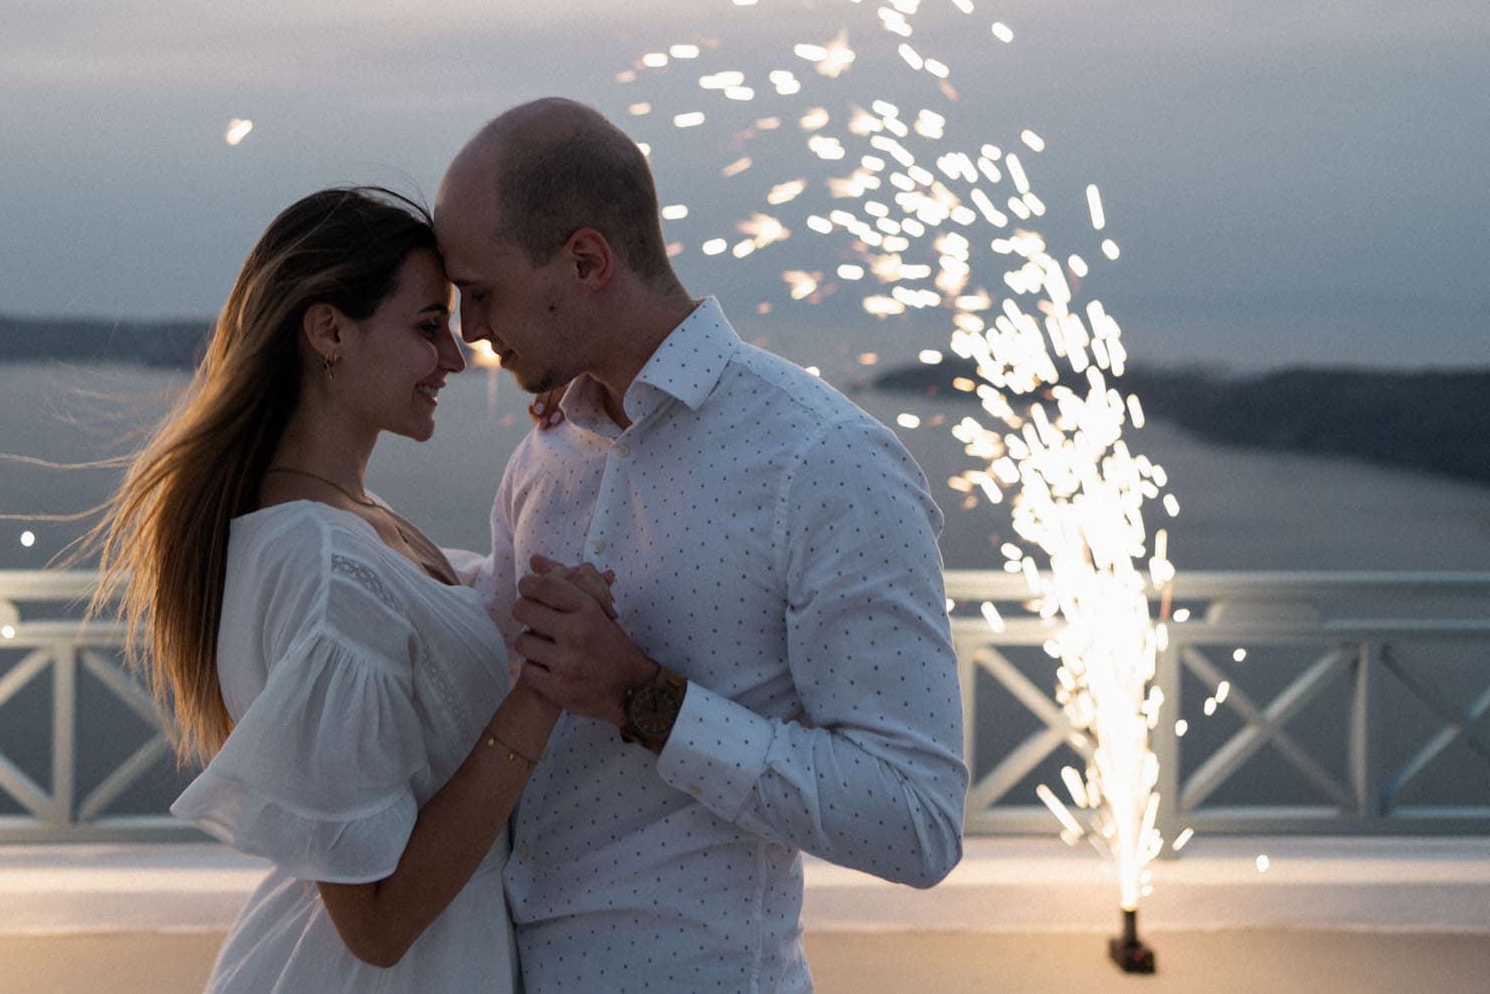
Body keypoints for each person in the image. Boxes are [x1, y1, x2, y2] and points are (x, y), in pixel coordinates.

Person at [434, 99, 968, 993]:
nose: (469, 327)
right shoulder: (545, 455)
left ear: (587, 260)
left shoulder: (824, 460)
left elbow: (918, 819)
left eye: (480, 290)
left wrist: (645, 697)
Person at [90, 186, 614, 991]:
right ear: (329, 329)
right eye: (427, 327)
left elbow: (466, 617)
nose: (453, 358)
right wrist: (540, 694)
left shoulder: (350, 526)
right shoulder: (324, 561)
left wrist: (576, 441)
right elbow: (375, 920)